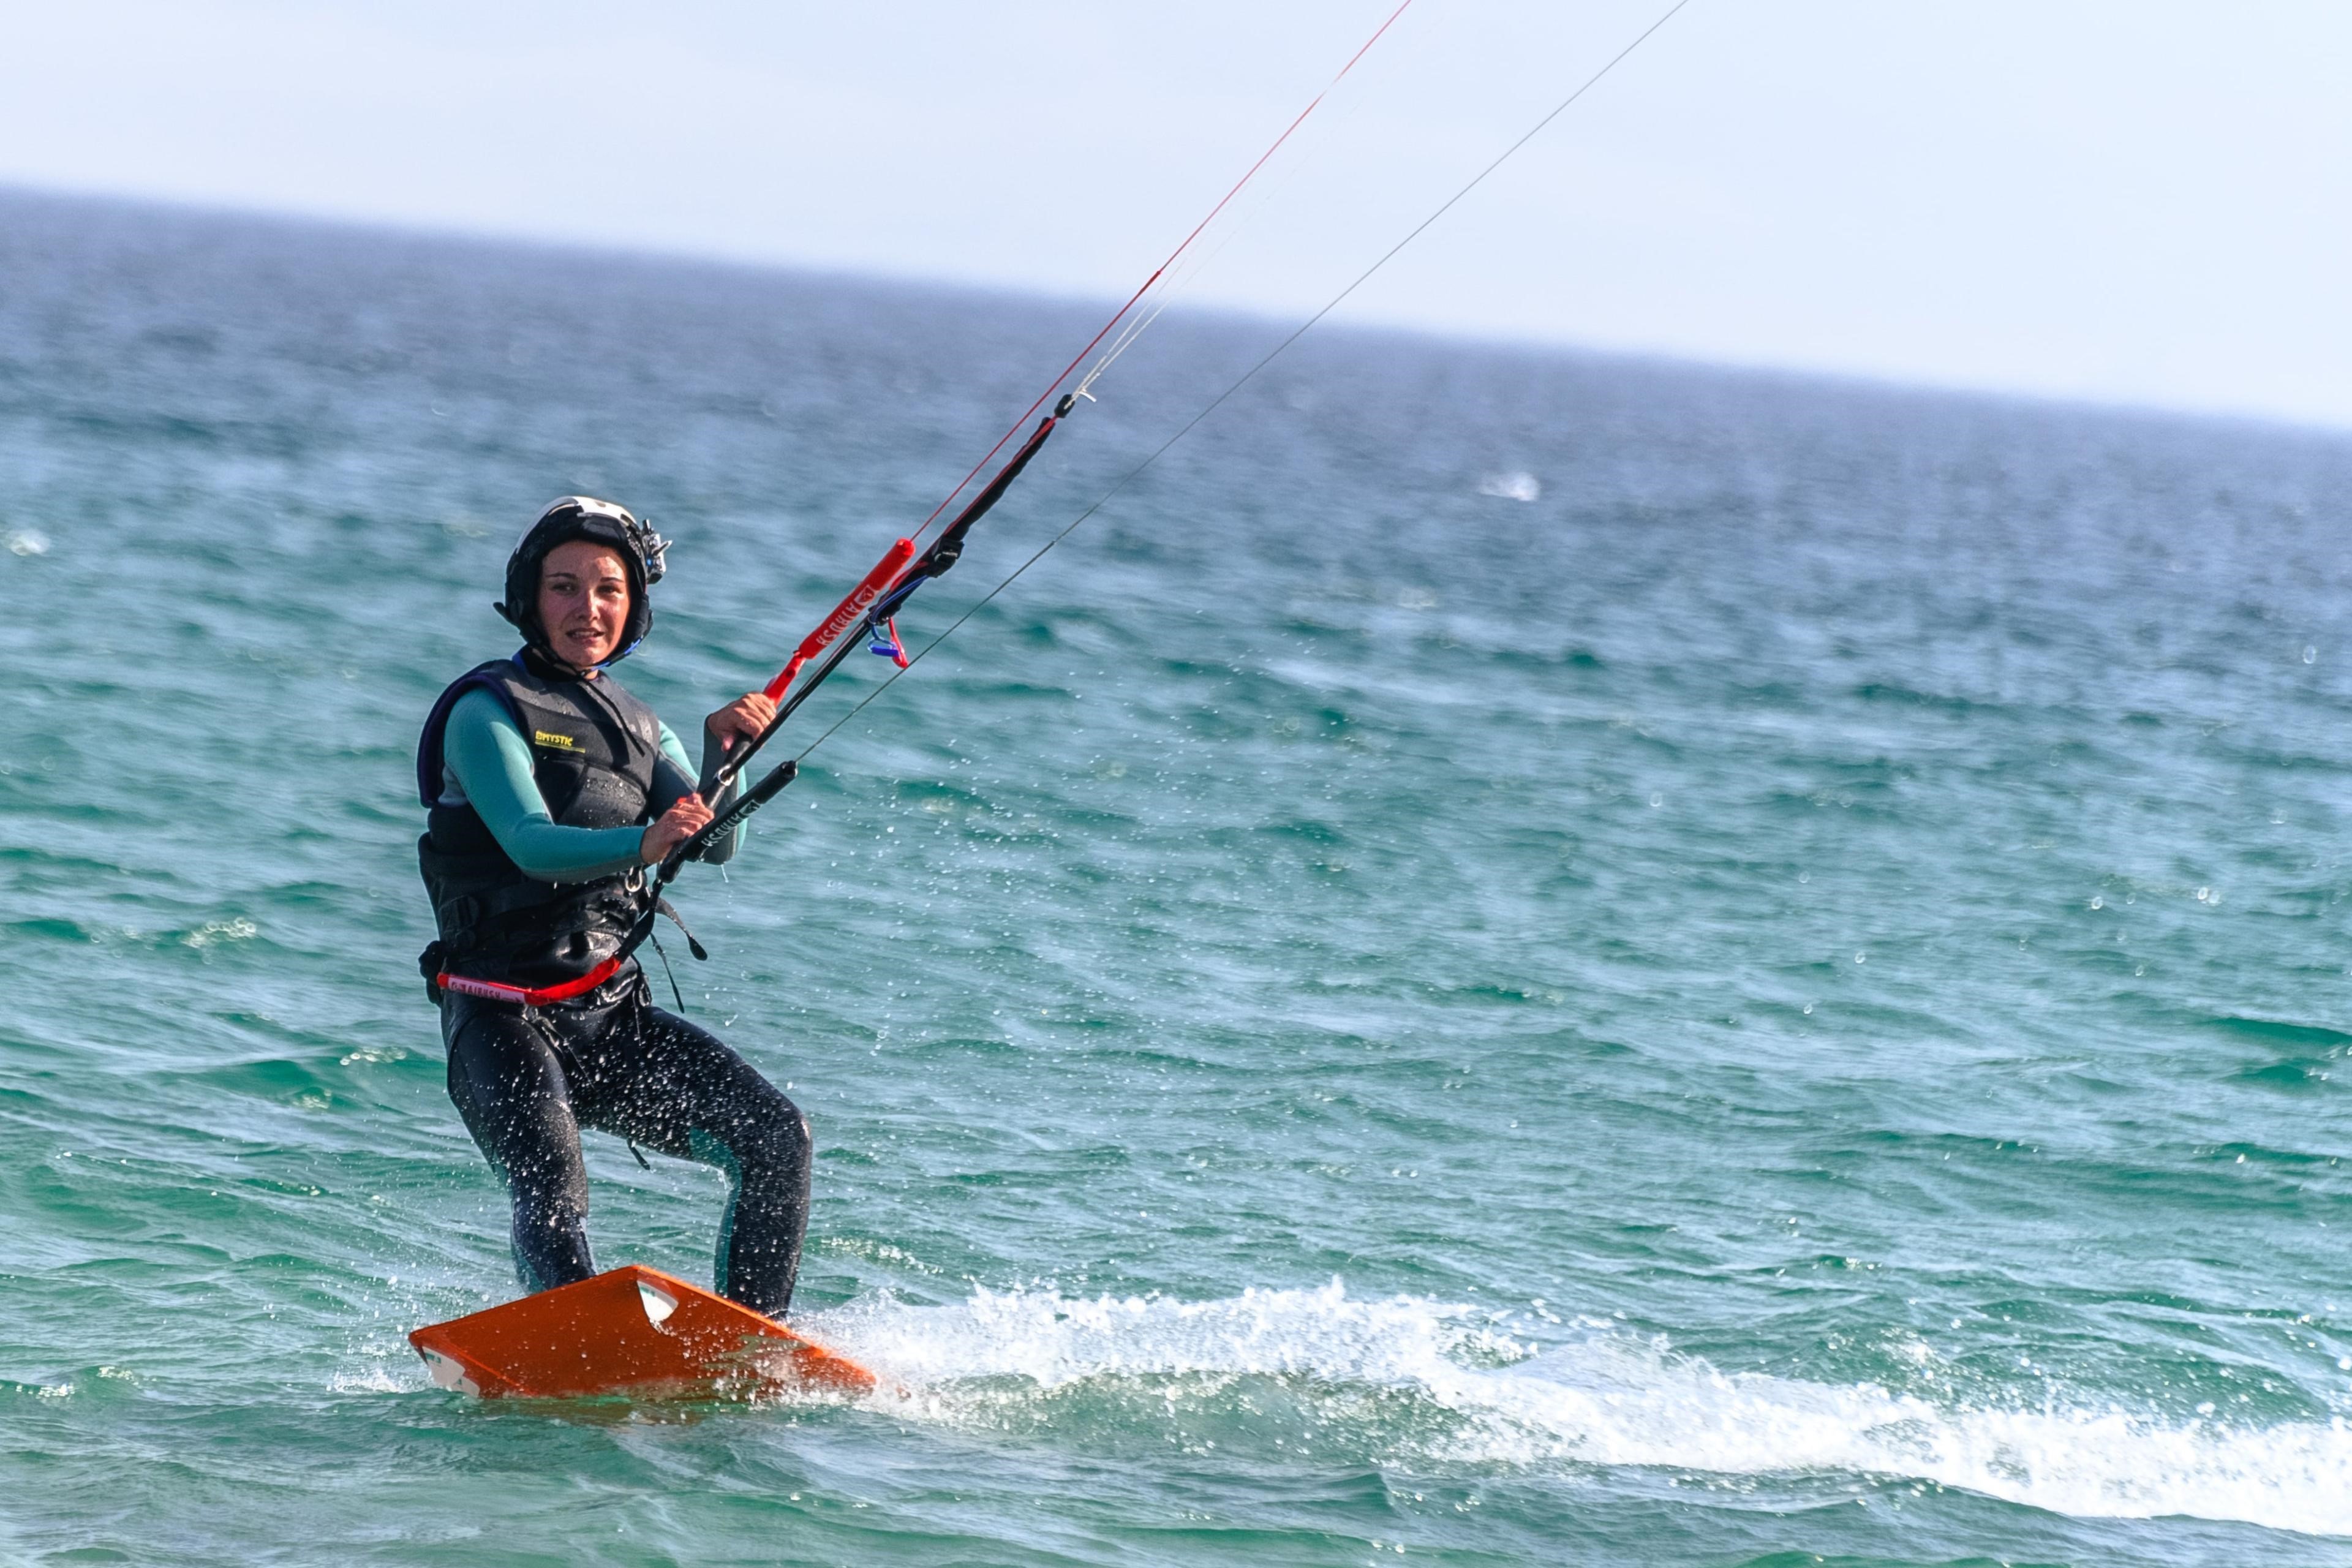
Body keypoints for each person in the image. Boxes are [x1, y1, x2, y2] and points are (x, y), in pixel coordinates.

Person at [413, 496, 812, 1319]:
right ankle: (575, 1347)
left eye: (607, 590)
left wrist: (721, 761)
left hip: (608, 1017)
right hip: (501, 1018)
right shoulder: (485, 710)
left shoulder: (641, 727)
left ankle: (750, 1346)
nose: (586, 609)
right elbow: (528, 842)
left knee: (778, 1139)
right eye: (563, 587)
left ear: (633, 607)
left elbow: (712, 841)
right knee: (552, 1196)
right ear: (530, 597)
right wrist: (644, 843)